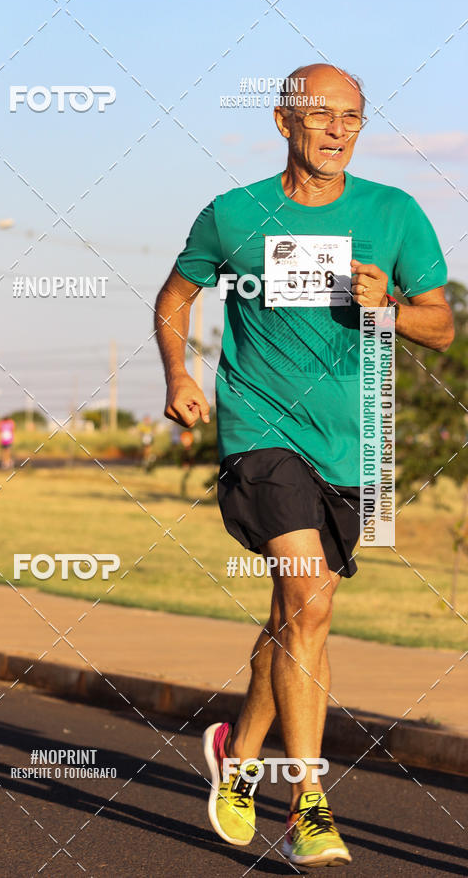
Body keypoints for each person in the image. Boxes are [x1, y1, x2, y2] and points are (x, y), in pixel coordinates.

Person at [155, 64, 454, 868]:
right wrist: (181, 375)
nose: (337, 130)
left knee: (296, 614)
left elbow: (442, 329)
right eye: (320, 116)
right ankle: (308, 802)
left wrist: (388, 305)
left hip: (351, 443)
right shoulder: (234, 214)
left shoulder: (394, 214)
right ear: (284, 121)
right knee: (310, 602)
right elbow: (175, 298)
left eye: (351, 117)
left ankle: (240, 752)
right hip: (261, 431)